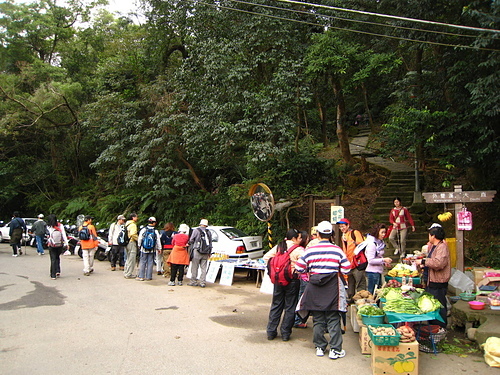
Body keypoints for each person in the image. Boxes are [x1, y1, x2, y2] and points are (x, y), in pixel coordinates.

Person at [295, 221, 350, 360]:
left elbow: (299, 267)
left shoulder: (310, 250)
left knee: (318, 318)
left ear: (318, 234)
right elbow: (346, 268)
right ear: (331, 234)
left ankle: (320, 347)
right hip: (332, 288)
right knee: (333, 318)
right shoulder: (337, 250)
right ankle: (335, 350)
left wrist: (310, 269)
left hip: (315, 286)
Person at [263, 229, 304, 341]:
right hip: (292, 281)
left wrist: (275, 270)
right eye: (299, 238)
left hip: (278, 280)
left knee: (276, 304)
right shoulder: (299, 249)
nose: (300, 240)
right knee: (290, 306)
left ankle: (271, 332)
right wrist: (295, 269)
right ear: (294, 238)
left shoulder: (279, 246)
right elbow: (304, 263)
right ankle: (285, 333)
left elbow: (266, 257)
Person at [415, 225, 451, 328]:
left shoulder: (442, 247)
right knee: (432, 305)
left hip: (438, 282)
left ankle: (440, 328)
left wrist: (423, 261)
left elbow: (439, 263)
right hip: (431, 280)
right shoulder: (435, 246)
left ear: (433, 236)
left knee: (438, 305)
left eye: (429, 235)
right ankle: (433, 327)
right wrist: (424, 265)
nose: (428, 237)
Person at [336, 218, 366, 300]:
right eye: (340, 227)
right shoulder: (343, 236)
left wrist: (354, 243)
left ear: (348, 225)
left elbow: (361, 244)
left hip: (357, 262)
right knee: (350, 282)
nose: (342, 228)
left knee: (360, 282)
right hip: (349, 263)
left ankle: (361, 299)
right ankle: (350, 299)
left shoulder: (354, 233)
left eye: (343, 226)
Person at [365, 223, 392, 295]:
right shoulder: (372, 244)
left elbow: (378, 257)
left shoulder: (380, 243)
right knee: (372, 294)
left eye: (385, 232)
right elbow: (370, 260)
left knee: (378, 293)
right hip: (372, 272)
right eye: (382, 232)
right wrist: (383, 260)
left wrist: (384, 262)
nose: (383, 234)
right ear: (377, 232)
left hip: (378, 271)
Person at [187, 218, 213, 288]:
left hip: (197, 251)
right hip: (206, 252)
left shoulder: (196, 230)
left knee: (195, 267)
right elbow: (210, 243)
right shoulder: (208, 232)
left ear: (200, 224)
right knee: (204, 268)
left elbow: (191, 240)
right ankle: (202, 282)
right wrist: (209, 252)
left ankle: (193, 281)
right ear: (206, 225)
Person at [136, 217, 162, 281]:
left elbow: (140, 238)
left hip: (144, 249)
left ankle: (141, 276)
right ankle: (149, 276)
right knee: (150, 262)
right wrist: (159, 248)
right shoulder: (155, 231)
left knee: (142, 262)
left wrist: (139, 245)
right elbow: (158, 240)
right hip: (152, 249)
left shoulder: (144, 229)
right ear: (154, 223)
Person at [294, 230, 310, 329]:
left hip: (298, 278)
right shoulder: (301, 251)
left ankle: (296, 319)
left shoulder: (296, 249)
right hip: (304, 278)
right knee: (301, 299)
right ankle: (297, 320)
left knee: (297, 298)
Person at [46, 214, 69, 280]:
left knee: (53, 259)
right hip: (60, 244)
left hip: (52, 244)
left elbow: (48, 236)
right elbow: (64, 234)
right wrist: (66, 243)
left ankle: (53, 275)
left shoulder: (48, 226)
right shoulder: (60, 225)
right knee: (57, 257)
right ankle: (58, 270)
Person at [123, 213, 139, 279]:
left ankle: (126, 272)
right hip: (131, 242)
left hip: (126, 242)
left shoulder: (126, 224)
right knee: (132, 258)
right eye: (136, 217)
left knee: (128, 258)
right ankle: (129, 274)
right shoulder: (132, 225)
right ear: (133, 217)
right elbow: (133, 234)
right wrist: (138, 239)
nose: (137, 218)